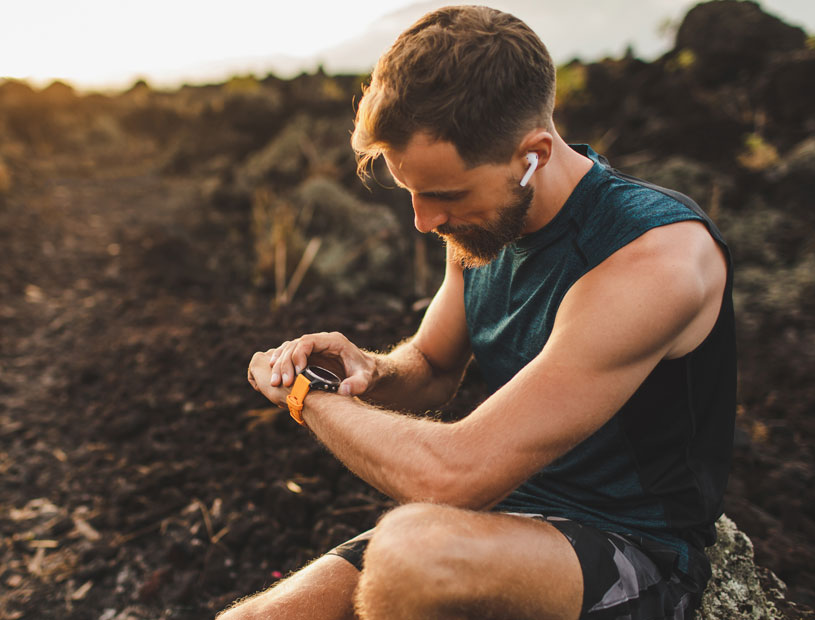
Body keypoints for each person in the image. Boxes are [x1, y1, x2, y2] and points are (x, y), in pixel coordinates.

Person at [225, 5, 735, 620]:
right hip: (503, 520)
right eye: (411, 192)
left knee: (414, 553)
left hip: (634, 547)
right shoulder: (483, 227)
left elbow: (451, 477)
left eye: (444, 194)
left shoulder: (651, 258)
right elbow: (433, 364)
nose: (424, 221)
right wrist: (367, 371)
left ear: (533, 155)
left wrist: (309, 394)